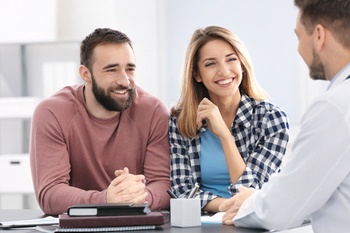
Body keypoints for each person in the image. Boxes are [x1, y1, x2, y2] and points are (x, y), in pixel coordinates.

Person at [219, 0, 350, 232]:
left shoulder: (335, 108)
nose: (298, 49)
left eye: (299, 37)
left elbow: (280, 210)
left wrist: (251, 202)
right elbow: (316, 190)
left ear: (319, 36)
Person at [30, 28, 171, 215]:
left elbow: (164, 185)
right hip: (80, 225)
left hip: (138, 222)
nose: (125, 80)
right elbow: (50, 194)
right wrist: (106, 199)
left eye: (130, 69)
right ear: (86, 74)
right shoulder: (51, 113)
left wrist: (139, 196)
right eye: (111, 70)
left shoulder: (153, 111)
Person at [169, 26, 290, 213]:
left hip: (254, 222)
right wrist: (227, 206)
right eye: (210, 64)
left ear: (242, 64)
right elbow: (182, 191)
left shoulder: (271, 120)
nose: (224, 71)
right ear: (197, 74)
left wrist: (225, 135)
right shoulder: (181, 120)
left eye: (231, 59)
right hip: (204, 223)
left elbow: (252, 190)